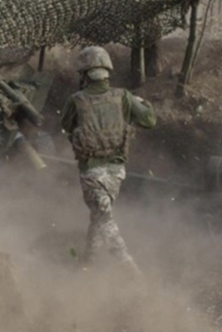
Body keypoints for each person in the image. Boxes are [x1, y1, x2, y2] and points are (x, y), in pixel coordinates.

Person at [60, 46, 156, 277]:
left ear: (84, 74)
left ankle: (131, 272)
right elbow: (149, 121)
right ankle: (87, 264)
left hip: (92, 173)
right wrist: (144, 103)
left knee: (104, 218)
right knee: (99, 215)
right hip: (116, 174)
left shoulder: (77, 100)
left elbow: (66, 126)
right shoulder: (123, 96)